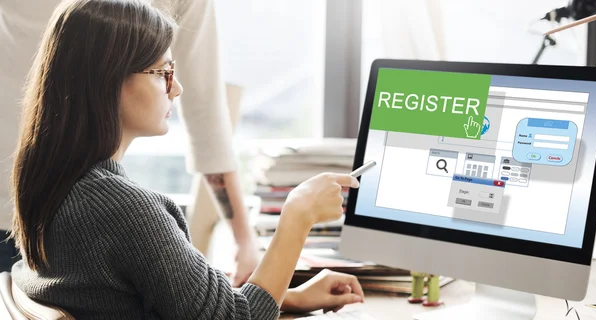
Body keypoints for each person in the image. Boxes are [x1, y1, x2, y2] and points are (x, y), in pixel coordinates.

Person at [9, 0, 364, 319]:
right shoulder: (123, 211)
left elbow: (171, 298)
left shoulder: (54, 186)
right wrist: (298, 215)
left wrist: (287, 296)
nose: (176, 88)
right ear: (109, 79)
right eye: (162, 73)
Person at [0, 0, 261, 285]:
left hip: (37, 203)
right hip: (30, 213)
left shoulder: (121, 207)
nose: (175, 88)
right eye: (162, 73)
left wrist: (242, 240)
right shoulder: (133, 214)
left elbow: (206, 115)